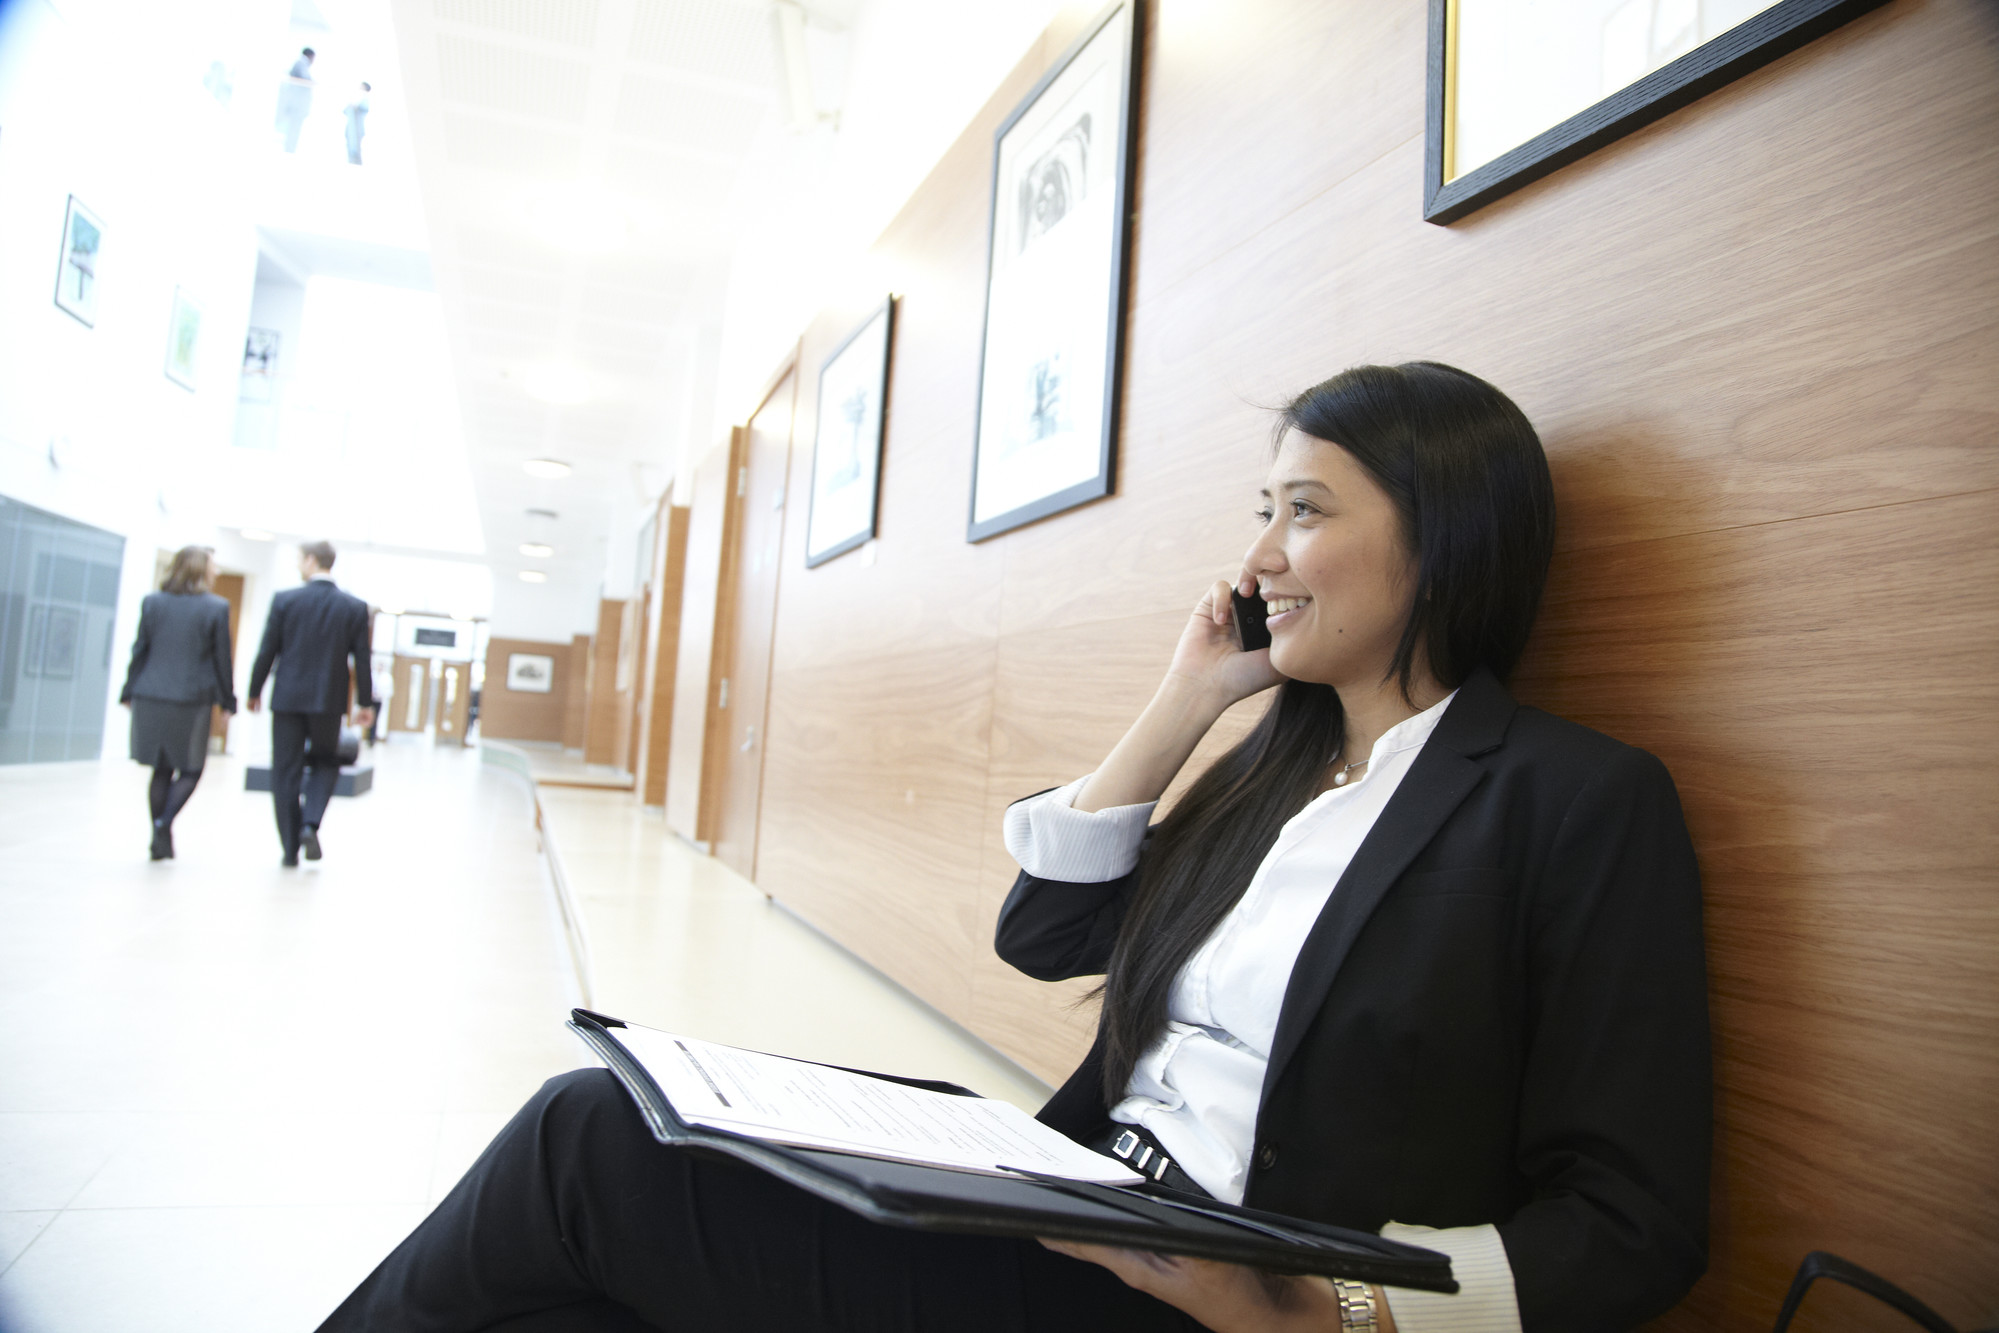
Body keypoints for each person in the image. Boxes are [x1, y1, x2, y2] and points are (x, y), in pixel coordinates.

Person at [315, 363, 1710, 1332]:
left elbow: (1629, 1225)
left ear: (1442, 536)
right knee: (584, 1270)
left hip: (1207, 1291)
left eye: (1303, 508)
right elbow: (1040, 934)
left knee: (588, 1145)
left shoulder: (1569, 800)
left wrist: (1311, 1307)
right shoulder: (1273, 771)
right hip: (1068, 1205)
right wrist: (1183, 702)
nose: (1260, 555)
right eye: (1258, 511)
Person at [247, 540, 375, 868]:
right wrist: (364, 702)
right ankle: (310, 823)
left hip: (287, 699)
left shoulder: (285, 600)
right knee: (326, 761)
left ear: (311, 560)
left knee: (285, 770)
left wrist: (254, 690)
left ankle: (290, 848)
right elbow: (362, 658)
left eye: (299, 560)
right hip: (328, 701)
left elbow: (267, 650)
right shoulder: (353, 607)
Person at [119, 546, 236, 861]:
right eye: (213, 565)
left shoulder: (153, 602)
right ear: (200, 569)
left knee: (161, 768)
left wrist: (128, 690)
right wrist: (228, 701)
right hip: (191, 698)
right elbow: (222, 660)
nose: (217, 571)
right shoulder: (216, 607)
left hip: (151, 694)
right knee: (192, 768)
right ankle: (164, 823)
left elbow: (139, 650)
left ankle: (160, 833)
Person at [276, 47, 314, 153]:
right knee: (293, 129)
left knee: (293, 130)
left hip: (296, 104)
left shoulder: (301, 64)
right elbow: (305, 80)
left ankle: (289, 149)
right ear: (310, 56)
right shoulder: (301, 64)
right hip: (296, 105)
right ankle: (289, 150)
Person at [342, 81, 370, 165]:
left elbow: (364, 108)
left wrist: (355, 107)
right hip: (351, 125)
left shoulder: (365, 97)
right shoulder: (355, 96)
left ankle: (356, 160)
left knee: (356, 144)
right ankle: (352, 160)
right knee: (350, 141)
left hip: (358, 126)